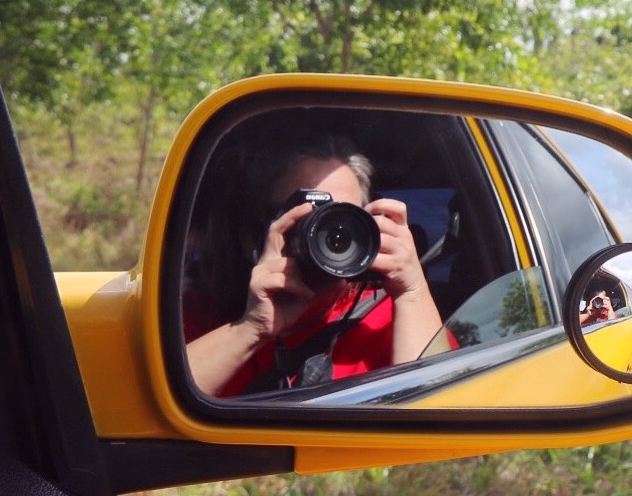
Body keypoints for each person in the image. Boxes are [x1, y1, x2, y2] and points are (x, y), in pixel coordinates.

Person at [184, 135, 445, 396]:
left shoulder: (390, 318)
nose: (330, 234)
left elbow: (439, 406)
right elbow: (166, 396)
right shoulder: (202, 316)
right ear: (253, 236)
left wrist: (412, 292)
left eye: (342, 217)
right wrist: (251, 329)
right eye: (308, 216)